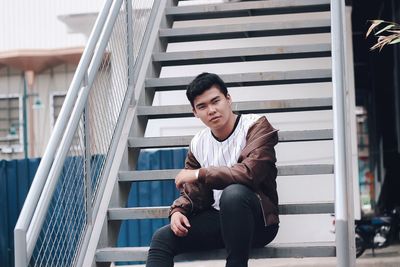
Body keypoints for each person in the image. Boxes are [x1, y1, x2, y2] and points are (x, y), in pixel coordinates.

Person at [146, 72, 279, 267]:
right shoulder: (199, 142)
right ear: (195, 112)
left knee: (233, 194)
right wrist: (178, 210)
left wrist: (200, 173)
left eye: (215, 101)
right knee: (162, 238)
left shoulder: (256, 126)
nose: (211, 110)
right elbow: (194, 193)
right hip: (219, 221)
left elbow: (250, 174)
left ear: (228, 99)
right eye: (202, 106)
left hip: (258, 222)